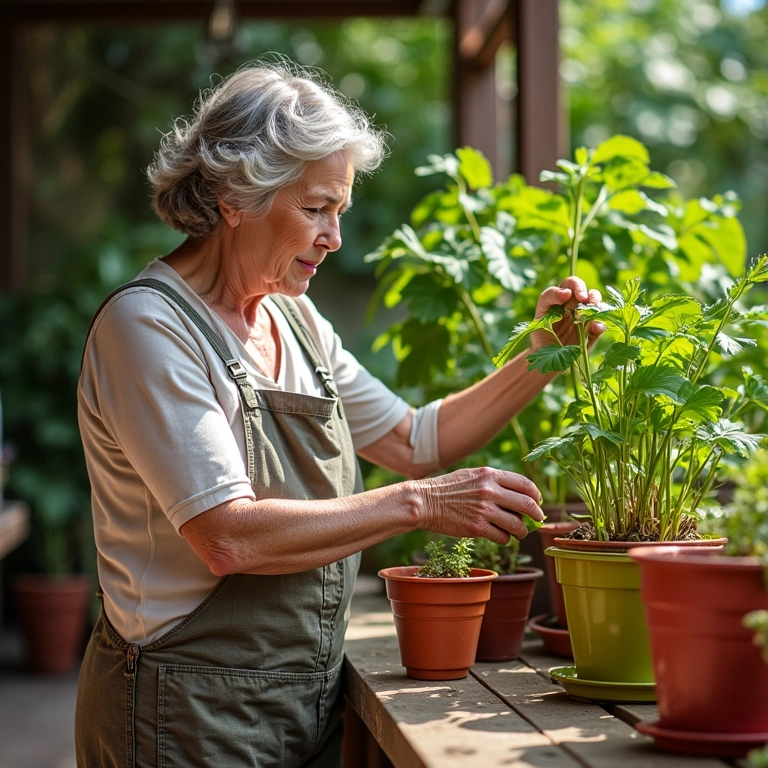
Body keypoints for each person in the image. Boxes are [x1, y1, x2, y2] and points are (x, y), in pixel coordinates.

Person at [74, 59, 602, 768]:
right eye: (316, 208)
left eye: (340, 212)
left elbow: (413, 440)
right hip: (182, 713)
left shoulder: (294, 318)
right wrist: (418, 505)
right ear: (237, 196)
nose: (335, 237)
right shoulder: (148, 327)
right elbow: (228, 536)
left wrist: (543, 354)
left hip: (305, 699)